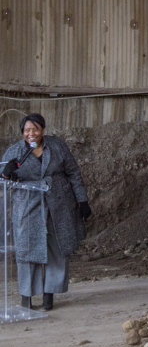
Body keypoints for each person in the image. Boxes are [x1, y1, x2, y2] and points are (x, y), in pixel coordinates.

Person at [1, 114, 91, 311]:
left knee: (56, 247)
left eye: (35, 129)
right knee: (27, 249)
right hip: (27, 206)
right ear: (22, 132)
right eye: (27, 130)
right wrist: (6, 173)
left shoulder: (57, 146)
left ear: (43, 130)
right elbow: (3, 185)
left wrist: (82, 200)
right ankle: (27, 297)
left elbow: (73, 172)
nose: (31, 134)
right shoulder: (14, 152)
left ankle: (49, 295)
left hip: (58, 203)